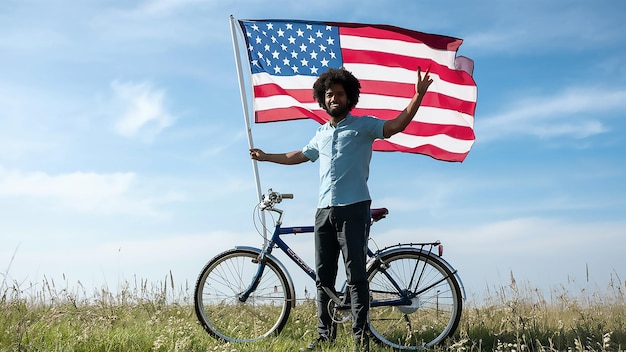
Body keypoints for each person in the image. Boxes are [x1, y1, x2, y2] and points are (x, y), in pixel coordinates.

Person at [250, 66, 433, 352]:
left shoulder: (364, 126)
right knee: (324, 277)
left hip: (355, 207)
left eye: (339, 94)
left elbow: (396, 125)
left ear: (349, 98)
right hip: (324, 210)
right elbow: (298, 155)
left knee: (357, 276)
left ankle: (361, 340)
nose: (334, 98)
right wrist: (266, 157)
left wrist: (417, 96)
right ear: (322, 101)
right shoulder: (320, 133)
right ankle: (326, 336)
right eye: (329, 95)